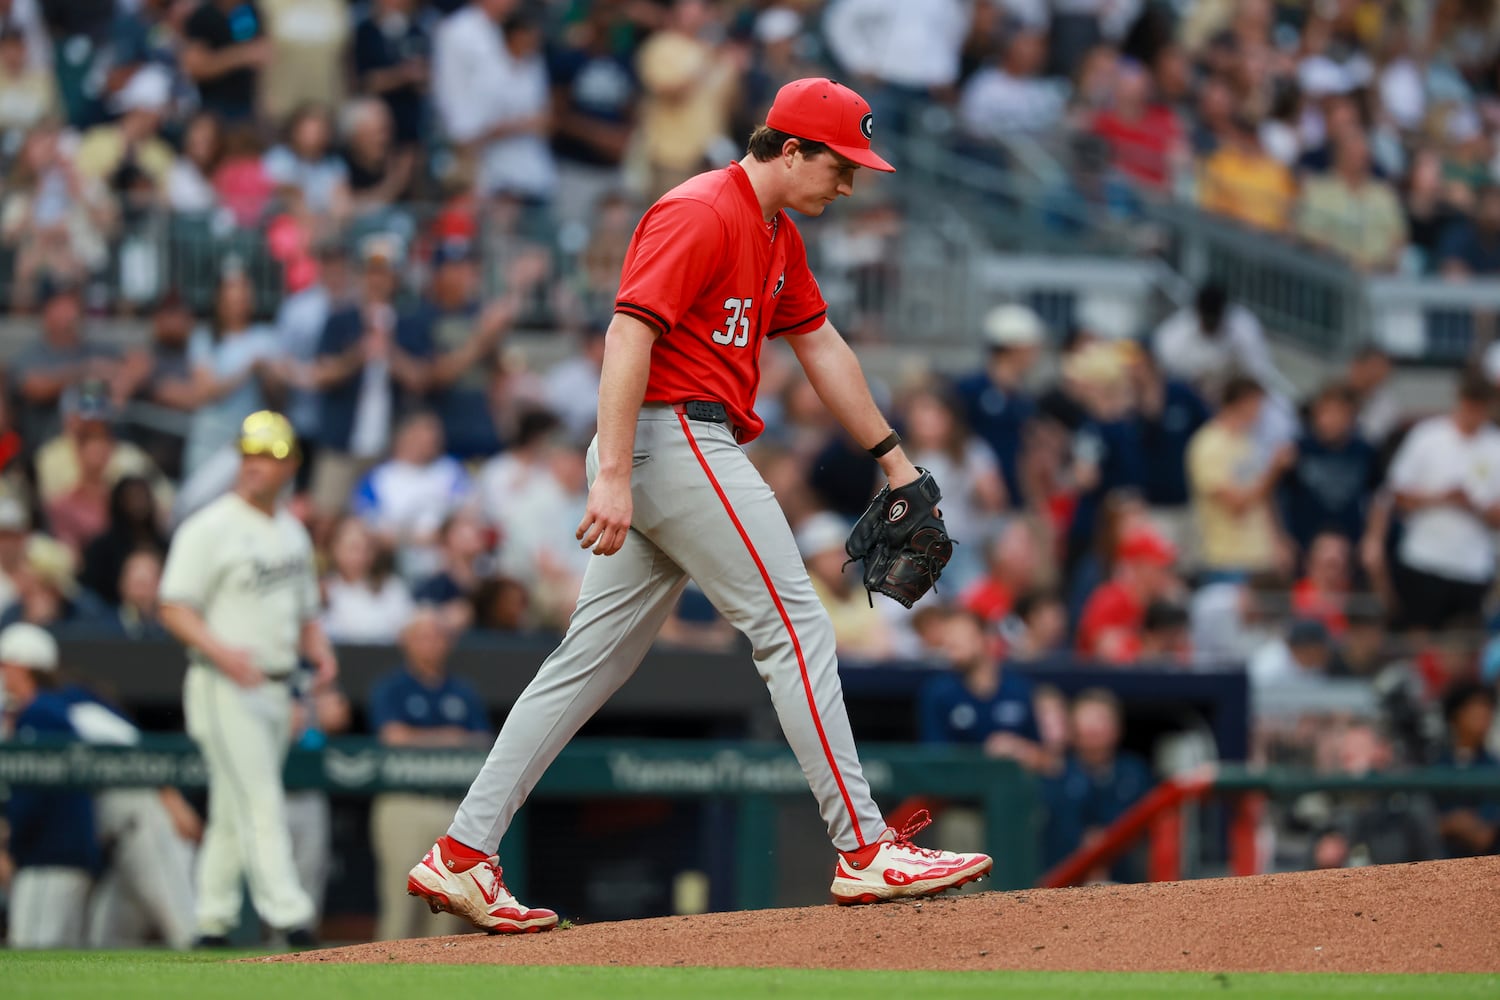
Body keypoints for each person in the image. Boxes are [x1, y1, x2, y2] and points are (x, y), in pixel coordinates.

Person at [405, 78, 992, 931]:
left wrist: (896, 462)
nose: (851, 182)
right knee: (796, 625)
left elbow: (821, 345)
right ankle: (866, 851)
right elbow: (626, 334)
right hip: (669, 435)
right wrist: (613, 470)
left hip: (675, 443)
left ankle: (462, 854)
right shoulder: (701, 210)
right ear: (790, 149)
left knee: (589, 662)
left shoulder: (776, 232)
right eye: (841, 163)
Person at [158, 411, 338, 948]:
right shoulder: (208, 525)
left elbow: (305, 610)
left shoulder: (290, 530)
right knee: (260, 796)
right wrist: (220, 650)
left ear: (290, 466)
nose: (255, 466)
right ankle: (291, 913)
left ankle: (210, 920)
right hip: (223, 682)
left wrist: (320, 654)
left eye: (268, 457)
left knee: (234, 809)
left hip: (278, 685)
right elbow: (173, 606)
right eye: (249, 454)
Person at [369, 609, 490, 940]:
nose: (431, 644)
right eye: (422, 636)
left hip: (451, 804)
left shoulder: (461, 691)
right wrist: (450, 738)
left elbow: (482, 741)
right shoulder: (392, 688)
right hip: (404, 802)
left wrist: (427, 737)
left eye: (438, 636)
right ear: (406, 642)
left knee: (447, 908)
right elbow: (393, 737)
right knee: (400, 902)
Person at [0, 623, 101, 948]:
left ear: (23, 666)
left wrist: (12, 847)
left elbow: (37, 796)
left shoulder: (43, 713)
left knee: (34, 951)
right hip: (56, 855)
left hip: (51, 856)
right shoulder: (46, 710)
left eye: (5, 664)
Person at [1385, 371, 1500, 632]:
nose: (1474, 412)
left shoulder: (1496, 445)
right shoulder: (1427, 436)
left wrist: (1474, 506)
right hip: (1424, 556)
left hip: (1472, 565)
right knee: (1418, 636)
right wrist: (1441, 498)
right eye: (1470, 403)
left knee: (1462, 644)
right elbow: (1398, 494)